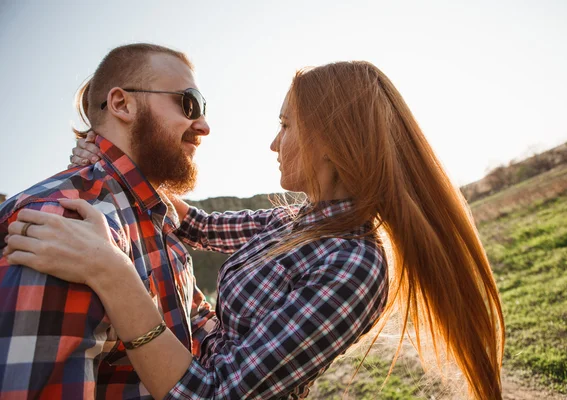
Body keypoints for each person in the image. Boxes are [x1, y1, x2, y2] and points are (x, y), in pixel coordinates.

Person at [4, 61, 506, 399]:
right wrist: (112, 164)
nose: (273, 143)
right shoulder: (295, 222)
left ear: (332, 139)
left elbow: (215, 394)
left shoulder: (354, 265)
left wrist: (112, 274)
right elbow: (193, 223)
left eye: (285, 126)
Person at [0, 43, 215, 399]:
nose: (204, 125)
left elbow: (204, 347)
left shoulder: (157, 223)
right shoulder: (63, 225)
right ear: (121, 104)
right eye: (189, 103)